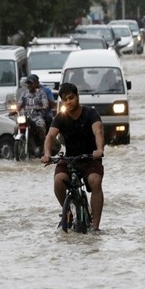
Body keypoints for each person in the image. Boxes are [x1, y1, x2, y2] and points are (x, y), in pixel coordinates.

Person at [40, 82, 105, 231]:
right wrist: (47, 154)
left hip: (90, 158)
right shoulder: (60, 117)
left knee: (95, 181)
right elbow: (50, 136)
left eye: (71, 98)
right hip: (70, 158)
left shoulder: (91, 113)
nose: (69, 102)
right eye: (65, 99)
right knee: (58, 180)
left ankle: (95, 227)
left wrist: (99, 149)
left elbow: (98, 132)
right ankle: (67, 212)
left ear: (77, 97)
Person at [17, 74, 49, 155]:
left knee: (41, 126)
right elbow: (19, 105)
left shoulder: (41, 93)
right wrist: (16, 109)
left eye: (31, 83)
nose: (29, 85)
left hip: (37, 117)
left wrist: (43, 107)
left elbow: (45, 104)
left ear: (36, 83)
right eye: (28, 83)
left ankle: (44, 148)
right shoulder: (24, 93)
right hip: (26, 117)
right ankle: (17, 145)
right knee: (15, 127)